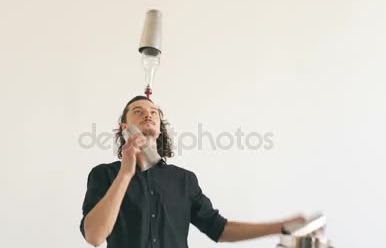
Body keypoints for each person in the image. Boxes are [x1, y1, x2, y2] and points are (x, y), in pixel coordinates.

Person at [79, 95, 305, 247]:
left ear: (160, 125)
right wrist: (126, 173)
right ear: (124, 127)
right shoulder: (104, 175)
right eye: (138, 111)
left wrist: (280, 227)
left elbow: (219, 229)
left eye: (154, 112)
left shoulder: (184, 180)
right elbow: (94, 236)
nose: (148, 114)